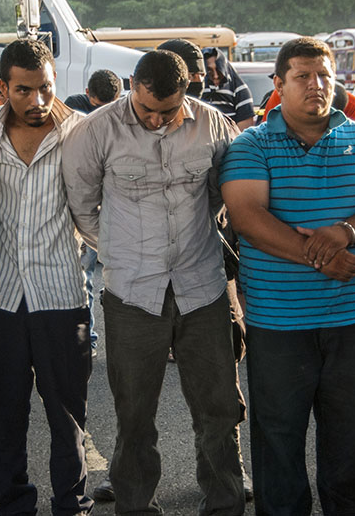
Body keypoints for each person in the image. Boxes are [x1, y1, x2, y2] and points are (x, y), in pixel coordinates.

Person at [220, 36, 355, 515]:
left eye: (324, 75)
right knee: (278, 437)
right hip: (279, 323)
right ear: (279, 85)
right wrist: (319, 256)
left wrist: (344, 231)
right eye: (302, 77)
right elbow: (247, 218)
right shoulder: (251, 144)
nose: (316, 86)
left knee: (350, 434)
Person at [63, 49, 246, 515]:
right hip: (130, 293)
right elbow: (82, 205)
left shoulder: (213, 125)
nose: (157, 120)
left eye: (169, 110)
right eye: (147, 110)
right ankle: (136, 507)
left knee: (219, 411)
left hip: (202, 287)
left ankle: (224, 504)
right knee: (134, 415)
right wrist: (120, 252)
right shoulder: (97, 129)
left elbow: (222, 198)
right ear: (131, 85)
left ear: (187, 92)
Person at [0, 39, 93, 515]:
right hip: (0, 294)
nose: (38, 101)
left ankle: (72, 504)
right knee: (4, 415)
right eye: (23, 90)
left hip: (62, 294)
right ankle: (13, 504)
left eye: (45, 88)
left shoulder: (81, 132)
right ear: (2, 88)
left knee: (68, 415)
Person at [65, 68, 123, 356]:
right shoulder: (79, 113)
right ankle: (87, 338)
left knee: (85, 280)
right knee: (85, 279)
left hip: (92, 209)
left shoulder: (74, 108)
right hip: (93, 210)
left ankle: (87, 338)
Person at [202, 46, 256, 131]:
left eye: (219, 70)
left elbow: (244, 132)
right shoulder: (197, 91)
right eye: (209, 71)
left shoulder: (239, 91)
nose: (215, 76)